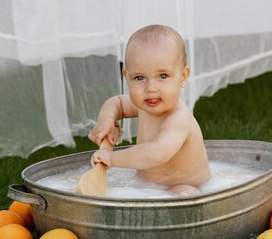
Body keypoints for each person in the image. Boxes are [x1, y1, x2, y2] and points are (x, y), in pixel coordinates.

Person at [88, 24, 211, 197]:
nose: (151, 88)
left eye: (163, 76)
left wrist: (111, 158)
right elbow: (116, 102)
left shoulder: (178, 119)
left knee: (185, 194)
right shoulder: (145, 106)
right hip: (148, 184)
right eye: (139, 78)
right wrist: (105, 122)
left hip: (186, 184)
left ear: (182, 77)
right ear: (127, 78)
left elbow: (156, 153)